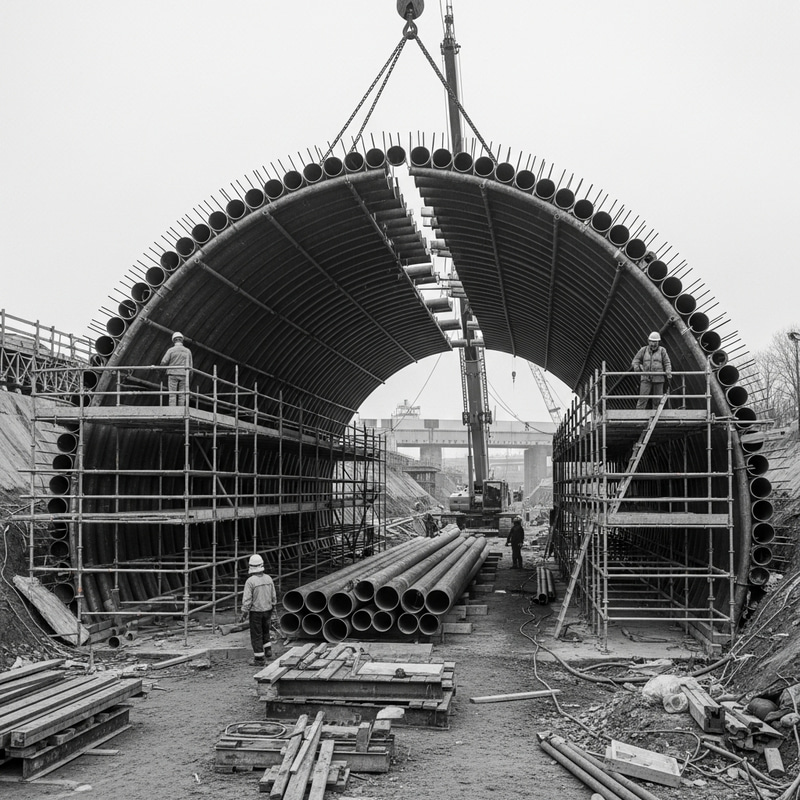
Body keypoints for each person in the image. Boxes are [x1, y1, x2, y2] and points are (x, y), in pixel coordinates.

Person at [240, 554, 277, 666]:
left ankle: (259, 658)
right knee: (266, 630)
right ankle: (268, 650)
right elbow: (273, 595)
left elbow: (247, 599)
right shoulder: (268, 578)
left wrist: (244, 613)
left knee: (256, 634)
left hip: (256, 611)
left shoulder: (250, 581)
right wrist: (273, 607)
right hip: (268, 609)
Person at [631, 331, 672, 410]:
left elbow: (667, 362)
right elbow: (635, 361)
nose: (653, 344)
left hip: (659, 378)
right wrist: (637, 368)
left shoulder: (662, 351)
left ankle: (655, 419)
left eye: (655, 342)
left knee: (657, 400)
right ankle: (639, 418)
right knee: (642, 399)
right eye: (651, 341)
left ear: (658, 342)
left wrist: (668, 371)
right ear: (648, 341)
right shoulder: (643, 350)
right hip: (646, 378)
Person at [159, 331, 193, 406]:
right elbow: (190, 367)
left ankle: (173, 411)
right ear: (182, 340)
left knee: (172, 394)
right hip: (184, 374)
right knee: (182, 395)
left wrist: (161, 371)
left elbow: (163, 362)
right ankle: (180, 411)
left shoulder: (171, 350)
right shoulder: (188, 351)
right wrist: (189, 378)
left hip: (172, 373)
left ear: (174, 340)